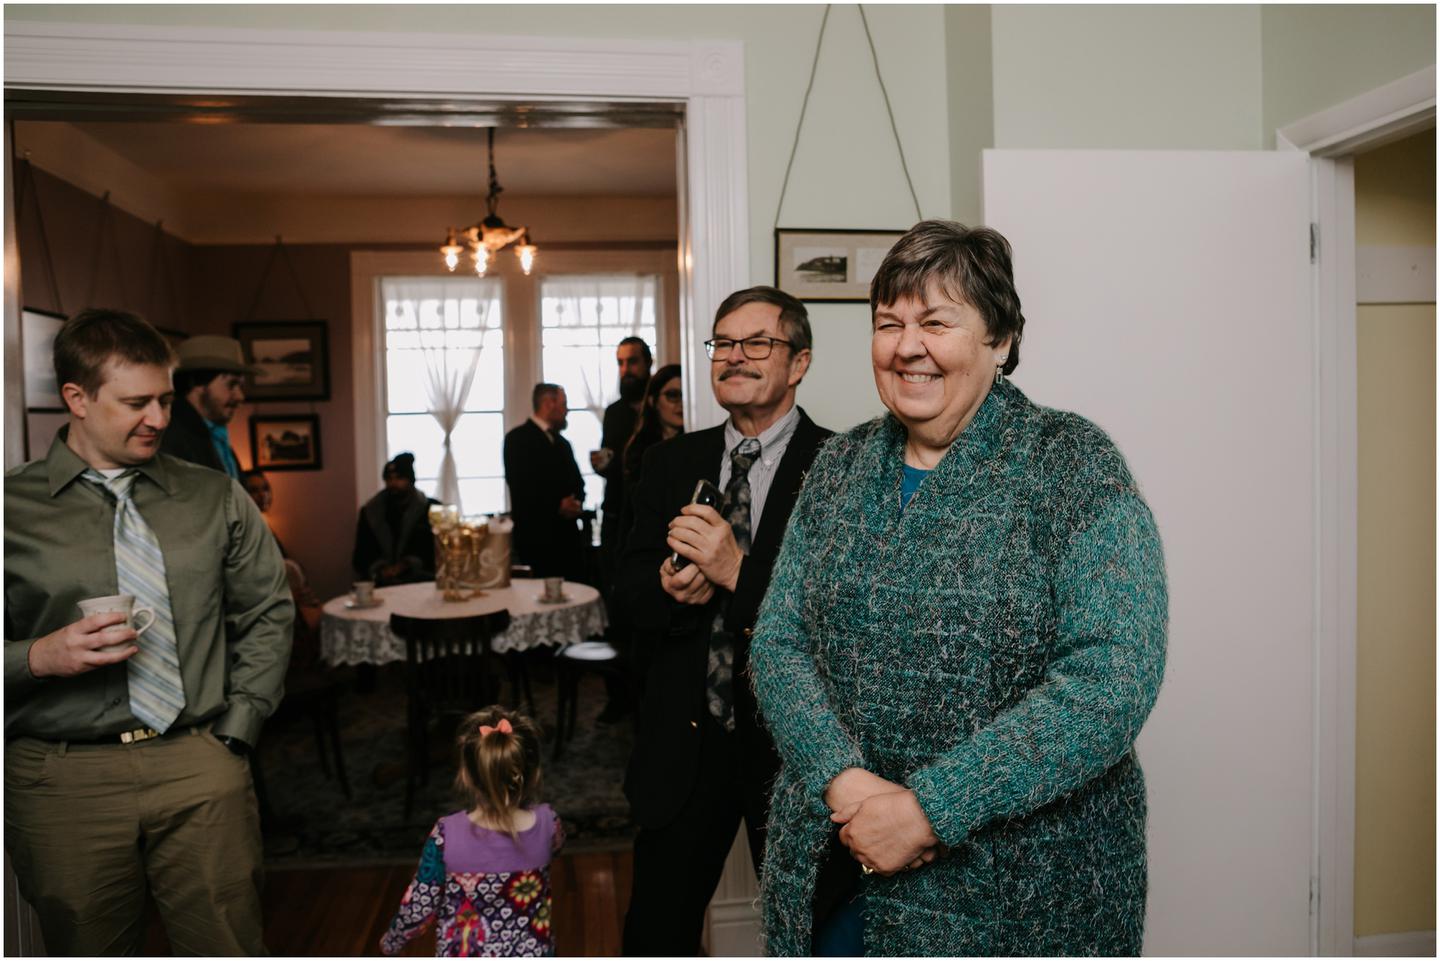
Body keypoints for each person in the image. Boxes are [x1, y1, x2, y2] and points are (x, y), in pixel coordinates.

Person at [748, 221, 1169, 956]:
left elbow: (1112, 679)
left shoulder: (1071, 465)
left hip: (1018, 902)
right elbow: (779, 641)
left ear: (1000, 339)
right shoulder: (839, 467)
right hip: (835, 878)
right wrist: (844, 783)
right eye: (889, 323)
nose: (906, 345)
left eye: (935, 321)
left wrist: (929, 810)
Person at [4, 308, 293, 955]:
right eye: (137, 402)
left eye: (164, 398)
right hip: (62, 779)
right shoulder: (8, 509)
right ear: (76, 398)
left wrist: (238, 727)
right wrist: (39, 655)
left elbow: (267, 609)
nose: (160, 419)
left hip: (199, 760)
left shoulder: (213, 495)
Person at [619, 288, 831, 955]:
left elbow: (845, 622)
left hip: (793, 752)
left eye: (757, 343)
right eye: (723, 343)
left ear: (798, 362)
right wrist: (664, 587)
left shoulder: (842, 468)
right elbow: (621, 598)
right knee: (655, 936)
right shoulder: (667, 462)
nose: (734, 357)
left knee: (812, 937)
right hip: (684, 745)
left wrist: (738, 574)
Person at [380, 706, 565, 957]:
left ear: (465, 775)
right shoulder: (548, 821)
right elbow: (555, 847)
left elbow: (421, 904)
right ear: (533, 775)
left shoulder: (446, 834)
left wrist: (392, 941)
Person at [503, 383, 586, 580]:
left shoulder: (563, 444)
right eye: (564, 404)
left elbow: (578, 483)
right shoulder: (517, 439)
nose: (567, 410)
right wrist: (557, 505)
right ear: (549, 404)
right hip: (536, 540)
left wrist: (576, 503)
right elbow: (520, 486)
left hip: (567, 540)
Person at [593, 336, 653, 570]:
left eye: (632, 362)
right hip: (616, 512)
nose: (625, 370)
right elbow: (611, 459)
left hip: (649, 513)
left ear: (648, 363)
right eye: (620, 363)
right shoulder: (613, 412)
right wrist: (601, 464)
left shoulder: (660, 407)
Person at [160, 333, 254, 478]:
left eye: (240, 386)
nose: (240, 396)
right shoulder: (173, 437)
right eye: (231, 384)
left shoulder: (215, 434)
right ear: (199, 383)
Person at [352, 452, 439, 587]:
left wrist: (408, 564)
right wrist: (381, 568)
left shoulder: (432, 509)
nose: (393, 483)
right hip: (381, 585)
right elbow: (361, 556)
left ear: (410, 480)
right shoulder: (370, 512)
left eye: (399, 478)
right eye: (389, 479)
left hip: (421, 583)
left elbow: (437, 552)